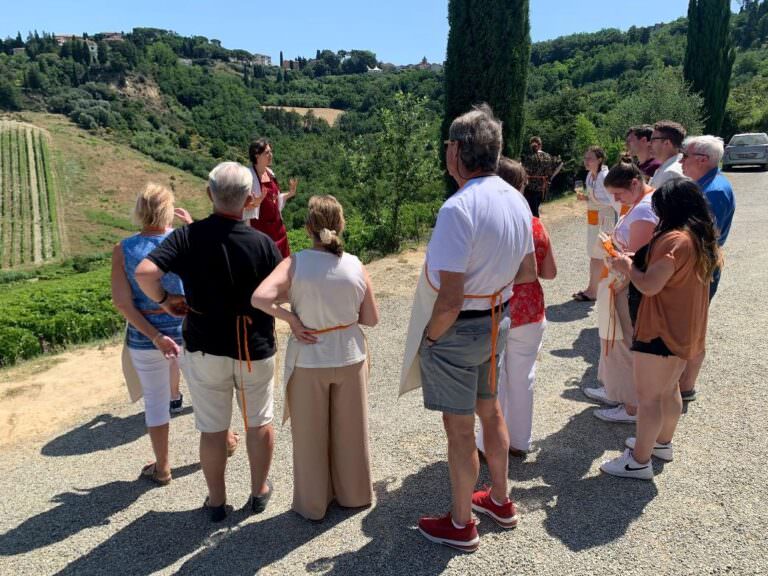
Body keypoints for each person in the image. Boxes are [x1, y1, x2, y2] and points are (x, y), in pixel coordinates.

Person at [400, 105, 534, 552]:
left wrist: (431, 338)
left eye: (446, 147)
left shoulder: (458, 208)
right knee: (490, 412)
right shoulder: (516, 198)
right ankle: (500, 499)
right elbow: (529, 270)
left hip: (460, 329)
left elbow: (450, 298)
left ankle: (461, 524)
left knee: (458, 432)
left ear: (457, 150)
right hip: (499, 319)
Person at [135, 162, 282, 522]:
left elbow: (145, 272)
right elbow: (282, 294)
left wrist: (164, 301)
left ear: (208, 194)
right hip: (254, 346)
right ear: (250, 199)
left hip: (204, 346)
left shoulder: (188, 236)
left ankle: (216, 501)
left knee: (214, 429)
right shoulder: (263, 243)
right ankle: (259, 492)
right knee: (258, 422)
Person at [251, 195, 379, 521]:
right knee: (352, 432)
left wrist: (292, 319)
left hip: (309, 359)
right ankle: (354, 495)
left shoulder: (295, 264)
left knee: (309, 437)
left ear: (308, 227)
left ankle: (313, 504)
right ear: (341, 225)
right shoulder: (355, 264)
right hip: (351, 356)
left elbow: (260, 297)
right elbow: (371, 319)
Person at [601, 178, 722, 479]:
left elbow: (650, 286)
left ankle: (638, 460)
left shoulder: (674, 240)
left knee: (649, 397)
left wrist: (627, 267)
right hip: (684, 328)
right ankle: (661, 443)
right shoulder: (700, 238)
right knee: (669, 390)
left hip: (660, 328)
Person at [476, 158, 557, 458]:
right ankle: (520, 441)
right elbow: (548, 272)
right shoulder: (536, 225)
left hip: (497, 310)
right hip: (531, 311)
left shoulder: (486, 225)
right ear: (522, 185)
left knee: (494, 381)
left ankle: (487, 444)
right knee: (524, 377)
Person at [111, 183, 187, 486]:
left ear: (139, 211)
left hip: (145, 339)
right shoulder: (183, 241)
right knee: (209, 395)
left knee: (156, 402)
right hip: (189, 332)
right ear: (168, 210)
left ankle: (163, 467)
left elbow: (122, 302)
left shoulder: (124, 249)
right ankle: (226, 441)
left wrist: (155, 335)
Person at [585, 161, 658, 424]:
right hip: (619, 281)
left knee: (624, 341)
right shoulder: (640, 204)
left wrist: (613, 252)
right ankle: (618, 392)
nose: (616, 200)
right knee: (615, 338)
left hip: (627, 286)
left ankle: (630, 406)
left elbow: (638, 259)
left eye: (618, 194)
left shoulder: (645, 211)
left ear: (635, 184)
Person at [678, 135, 736, 401]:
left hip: (698, 269)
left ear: (702, 160)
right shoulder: (706, 185)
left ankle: (685, 387)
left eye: (685, 156)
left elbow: (702, 237)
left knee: (691, 329)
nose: (681, 160)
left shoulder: (711, 191)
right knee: (691, 326)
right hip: (698, 266)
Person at [574, 146, 615, 302]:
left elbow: (613, 200)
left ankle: (594, 291)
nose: (586, 161)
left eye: (590, 158)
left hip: (605, 219)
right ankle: (594, 288)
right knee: (593, 253)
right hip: (593, 218)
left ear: (599, 159)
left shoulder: (605, 176)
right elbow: (595, 198)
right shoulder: (589, 176)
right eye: (585, 158)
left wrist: (590, 200)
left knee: (599, 254)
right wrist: (586, 198)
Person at [245, 138, 297, 258]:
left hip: (278, 231)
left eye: (270, 151)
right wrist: (253, 204)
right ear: (257, 156)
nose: (271, 155)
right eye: (267, 153)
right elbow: (240, 206)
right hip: (261, 233)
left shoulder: (270, 173)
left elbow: (275, 199)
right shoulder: (248, 178)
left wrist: (290, 193)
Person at [522, 136, 563, 218]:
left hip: (530, 189)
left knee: (532, 213)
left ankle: (536, 229)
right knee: (535, 211)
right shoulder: (547, 156)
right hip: (542, 189)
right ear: (541, 145)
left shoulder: (529, 157)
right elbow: (560, 164)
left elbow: (523, 172)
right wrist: (551, 177)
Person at [649, 121, 686, 189]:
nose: (649, 144)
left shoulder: (670, 173)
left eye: (653, 140)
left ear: (667, 143)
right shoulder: (669, 167)